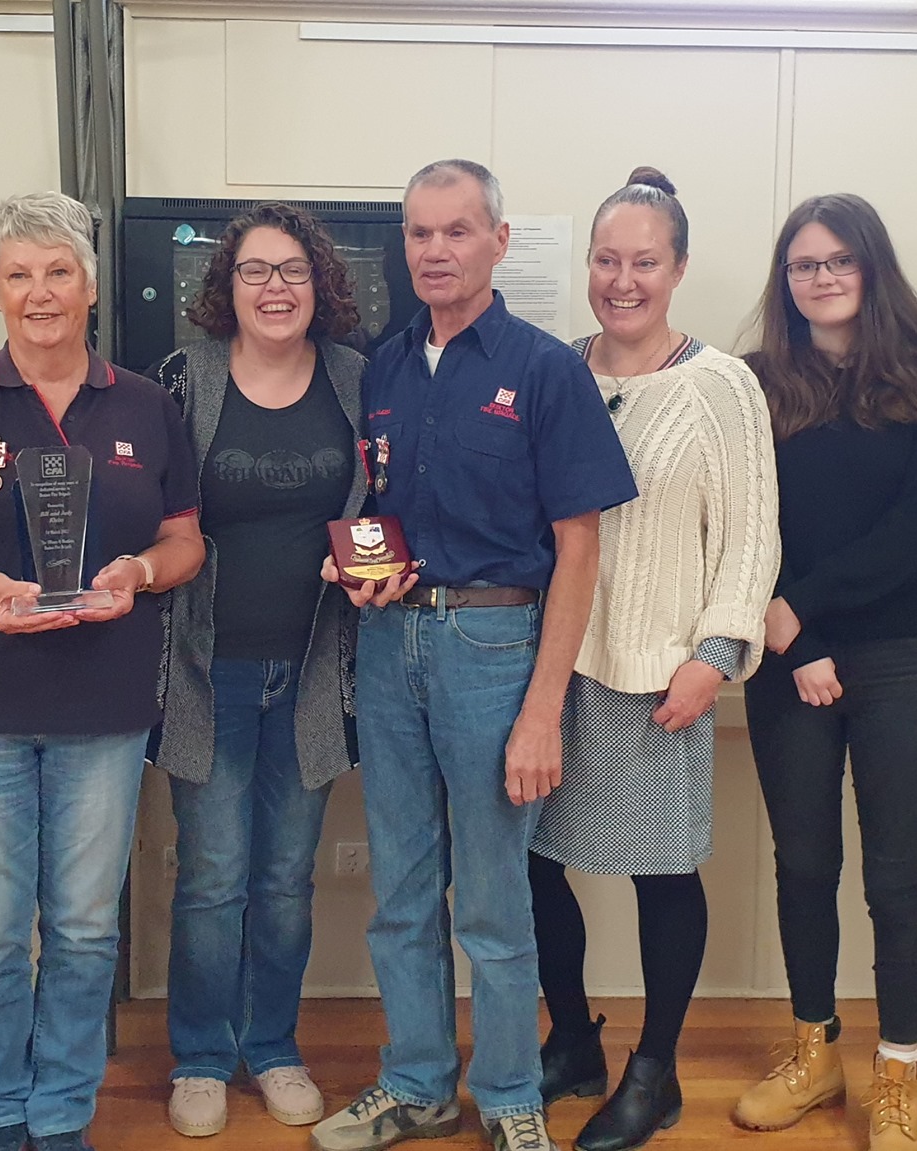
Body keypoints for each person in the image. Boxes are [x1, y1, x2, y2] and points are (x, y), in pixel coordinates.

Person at [306, 159, 637, 1151]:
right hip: (389, 644)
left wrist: (541, 711)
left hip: (494, 649)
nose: (436, 249)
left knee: (493, 900)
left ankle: (507, 1093)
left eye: (457, 230)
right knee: (403, 891)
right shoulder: (383, 367)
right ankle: (416, 1083)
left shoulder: (544, 369)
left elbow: (579, 547)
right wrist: (361, 571)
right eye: (419, 232)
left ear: (497, 240)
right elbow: (384, 514)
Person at [0, 191, 204, 1151]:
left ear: (90, 284)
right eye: (19, 274)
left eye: (59, 271)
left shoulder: (146, 405)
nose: (41, 292)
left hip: (103, 703)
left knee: (86, 928)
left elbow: (185, 541)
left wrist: (138, 574)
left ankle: (60, 1114)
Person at [527, 167, 778, 1151]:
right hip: (548, 668)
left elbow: (751, 535)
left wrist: (715, 654)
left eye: (643, 261)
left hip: (660, 675)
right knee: (532, 865)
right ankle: (571, 1040)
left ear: (677, 268)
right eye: (605, 259)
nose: (621, 280)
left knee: (661, 873)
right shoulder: (552, 370)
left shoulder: (722, 386)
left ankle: (654, 1070)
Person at [733, 193, 917, 1151]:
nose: (822, 277)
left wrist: (805, 608)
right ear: (785, 281)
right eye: (803, 264)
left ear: (871, 267)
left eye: (839, 259)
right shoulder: (756, 384)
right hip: (785, 656)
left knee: (896, 874)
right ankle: (815, 1053)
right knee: (804, 863)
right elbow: (743, 525)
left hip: (903, 654)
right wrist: (795, 642)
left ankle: (898, 1072)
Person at [151, 202, 368, 1138]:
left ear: (319, 283)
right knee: (211, 877)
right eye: (254, 271)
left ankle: (273, 1045)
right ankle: (201, 1056)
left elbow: (386, 502)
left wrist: (373, 562)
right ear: (226, 286)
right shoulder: (182, 379)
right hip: (208, 674)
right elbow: (146, 511)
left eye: (292, 270)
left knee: (284, 878)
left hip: (314, 670)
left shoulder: (356, 379)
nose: (275, 288)